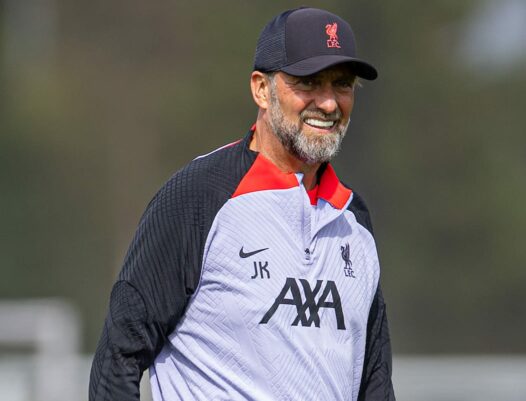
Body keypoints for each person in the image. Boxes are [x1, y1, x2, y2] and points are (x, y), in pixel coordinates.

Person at [90, 7, 395, 401]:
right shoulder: (197, 197)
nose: (329, 103)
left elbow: (374, 382)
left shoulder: (354, 218)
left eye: (342, 84)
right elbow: (116, 361)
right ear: (260, 89)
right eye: (307, 82)